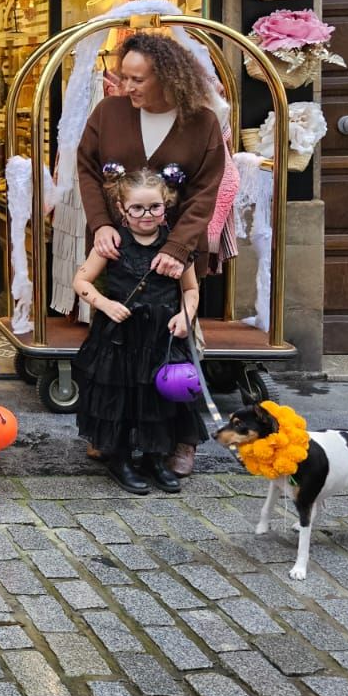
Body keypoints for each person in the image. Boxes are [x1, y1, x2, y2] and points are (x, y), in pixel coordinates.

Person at [75, 32, 225, 477]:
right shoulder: (108, 112)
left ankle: (179, 440)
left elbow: (206, 190)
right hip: (119, 247)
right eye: (124, 77)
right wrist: (102, 223)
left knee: (173, 351)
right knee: (118, 351)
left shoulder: (201, 122)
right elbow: (85, 167)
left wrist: (179, 247)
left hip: (174, 250)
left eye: (137, 79)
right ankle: (114, 435)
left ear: (168, 77)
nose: (127, 86)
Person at [72, 167, 205, 495]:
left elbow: (191, 289)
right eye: (137, 208)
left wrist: (186, 316)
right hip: (121, 335)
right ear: (122, 209)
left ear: (166, 205)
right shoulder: (113, 243)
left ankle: (155, 457)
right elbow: (81, 281)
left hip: (162, 335)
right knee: (121, 395)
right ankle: (120, 458)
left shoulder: (175, 245)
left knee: (157, 398)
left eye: (154, 207)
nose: (146, 215)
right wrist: (104, 304)